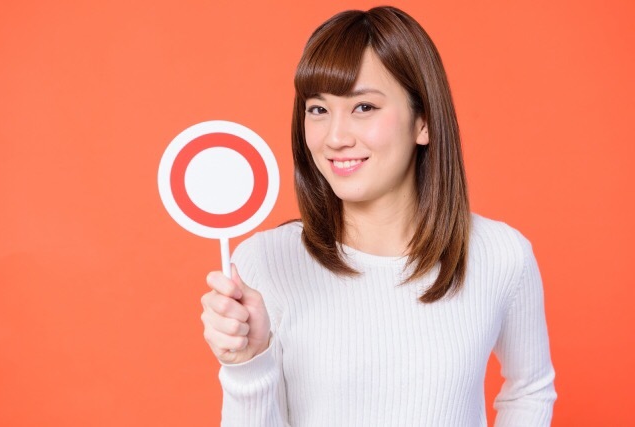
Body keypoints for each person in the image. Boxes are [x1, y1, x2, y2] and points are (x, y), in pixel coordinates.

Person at [201, 6, 556, 426]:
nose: (335, 137)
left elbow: (530, 389)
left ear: (423, 121)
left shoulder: (501, 255)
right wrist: (247, 365)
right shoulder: (264, 263)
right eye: (318, 109)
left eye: (364, 107)